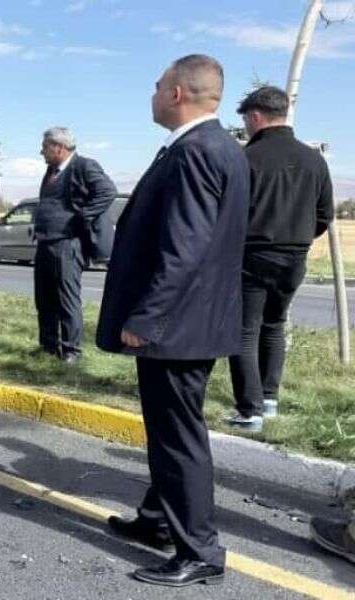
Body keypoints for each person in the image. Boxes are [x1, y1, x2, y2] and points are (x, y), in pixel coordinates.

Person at [98, 54, 248, 587]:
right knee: (170, 429)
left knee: (178, 436)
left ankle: (200, 551)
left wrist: (147, 317)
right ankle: (159, 520)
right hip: (193, 322)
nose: (153, 92)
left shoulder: (196, 151)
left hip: (176, 326)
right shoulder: (221, 147)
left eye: (158, 85)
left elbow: (184, 248)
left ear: (178, 94)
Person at [225, 86, 335, 433]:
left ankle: (250, 410)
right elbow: (324, 215)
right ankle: (269, 399)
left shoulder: (246, 158)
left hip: (252, 255)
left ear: (256, 116)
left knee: (243, 331)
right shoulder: (314, 160)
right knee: (274, 325)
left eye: (245, 119)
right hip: (295, 258)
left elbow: (228, 214)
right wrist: (297, 239)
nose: (245, 126)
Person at [34, 126, 117, 364]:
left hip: (67, 245)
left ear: (59, 147)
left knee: (66, 299)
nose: (42, 151)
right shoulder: (51, 170)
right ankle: (48, 346)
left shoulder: (84, 166)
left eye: (45, 147)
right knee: (45, 298)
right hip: (45, 242)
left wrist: (82, 216)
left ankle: (72, 351)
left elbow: (107, 191)